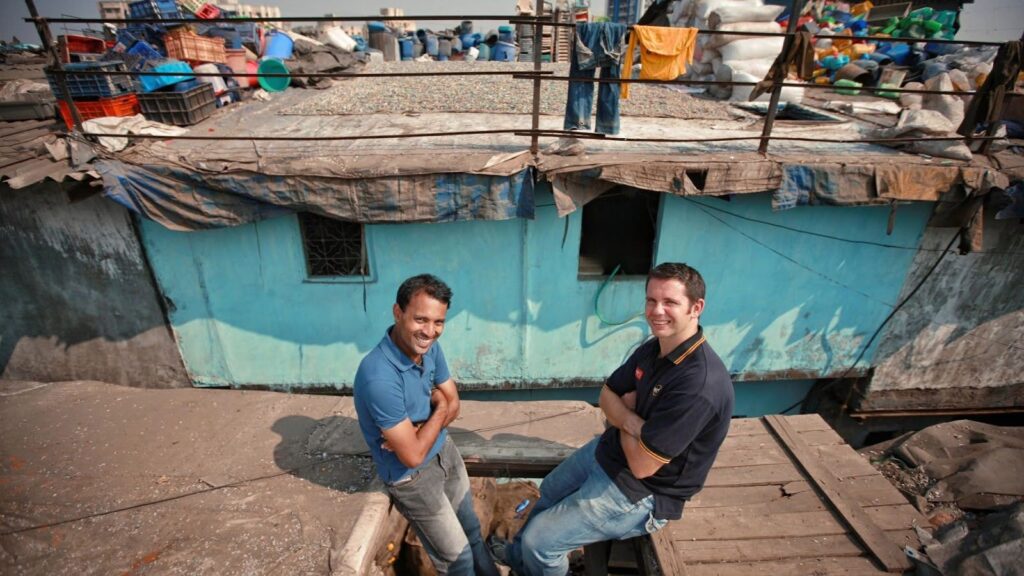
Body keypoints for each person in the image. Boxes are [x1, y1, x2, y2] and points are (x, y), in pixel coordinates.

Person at [495, 262, 734, 576]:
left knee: (542, 541)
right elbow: (607, 395)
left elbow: (643, 465)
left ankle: (535, 564)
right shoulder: (654, 348)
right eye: (651, 300)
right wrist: (632, 423)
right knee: (539, 500)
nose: (656, 310)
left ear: (696, 307)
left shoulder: (698, 385)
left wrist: (621, 417)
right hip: (607, 454)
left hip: (642, 492)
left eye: (670, 302)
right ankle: (519, 562)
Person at [354, 274, 498, 576]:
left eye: (438, 322)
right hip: (412, 478)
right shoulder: (379, 376)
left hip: (444, 451)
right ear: (398, 313)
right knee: (458, 561)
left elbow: (455, 403)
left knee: (472, 533)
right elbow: (412, 457)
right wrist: (439, 408)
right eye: (421, 320)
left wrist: (424, 428)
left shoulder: (428, 347)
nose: (430, 332)